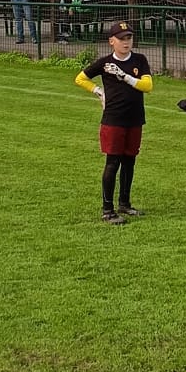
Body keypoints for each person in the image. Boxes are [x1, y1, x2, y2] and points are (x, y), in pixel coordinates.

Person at [75, 21, 153, 223]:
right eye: (121, 39)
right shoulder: (104, 63)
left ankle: (124, 203)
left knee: (130, 161)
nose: (126, 42)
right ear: (112, 41)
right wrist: (98, 91)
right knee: (113, 162)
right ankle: (107, 209)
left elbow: (147, 86)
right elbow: (80, 78)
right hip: (113, 119)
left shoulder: (139, 60)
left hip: (135, 118)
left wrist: (125, 76)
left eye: (129, 38)